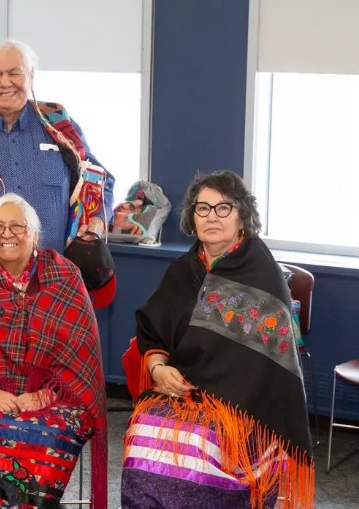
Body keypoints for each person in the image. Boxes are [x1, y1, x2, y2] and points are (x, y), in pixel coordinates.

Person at [120, 171, 314, 508]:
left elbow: (271, 366)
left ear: (242, 217)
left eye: (223, 208)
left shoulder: (262, 273)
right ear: (192, 218)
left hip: (246, 406)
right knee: (143, 435)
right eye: (203, 208)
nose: (212, 216)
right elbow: (153, 330)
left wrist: (218, 400)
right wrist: (158, 368)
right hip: (181, 391)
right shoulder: (183, 270)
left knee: (198, 445)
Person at [0, 193, 108, 508]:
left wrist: (44, 395)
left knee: (48, 435)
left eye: (17, 226)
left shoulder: (64, 275)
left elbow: (80, 348)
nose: (7, 234)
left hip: (52, 396)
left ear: (35, 235)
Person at [0, 39, 115, 290]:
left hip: (52, 283)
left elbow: (99, 181)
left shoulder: (57, 123)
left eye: (15, 73)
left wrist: (99, 220)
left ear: (31, 77)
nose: (5, 82)